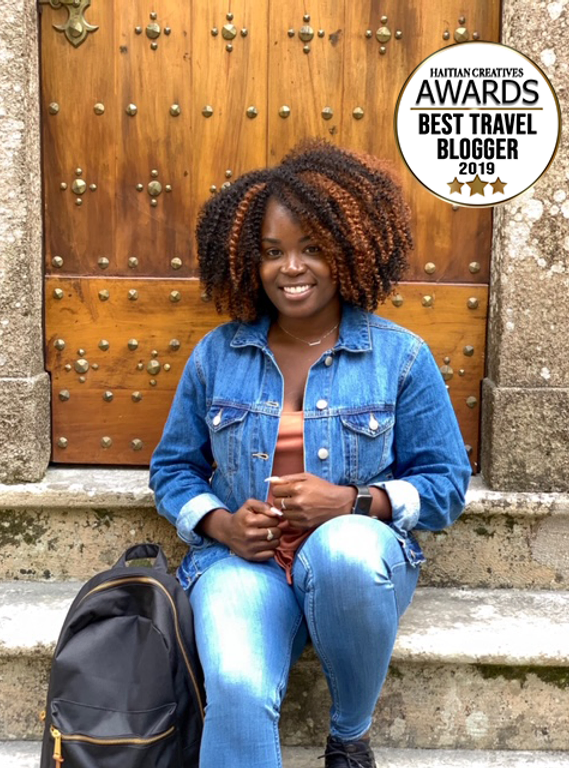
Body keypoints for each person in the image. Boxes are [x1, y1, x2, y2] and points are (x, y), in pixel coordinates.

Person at [149, 139, 471, 768]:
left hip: (356, 565)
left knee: (344, 547)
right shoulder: (219, 354)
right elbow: (173, 468)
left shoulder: (400, 356)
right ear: (249, 261)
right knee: (238, 690)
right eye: (272, 252)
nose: (291, 268)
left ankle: (349, 736)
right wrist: (221, 525)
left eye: (312, 248)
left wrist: (355, 502)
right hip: (247, 564)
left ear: (349, 252)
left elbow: (446, 484)